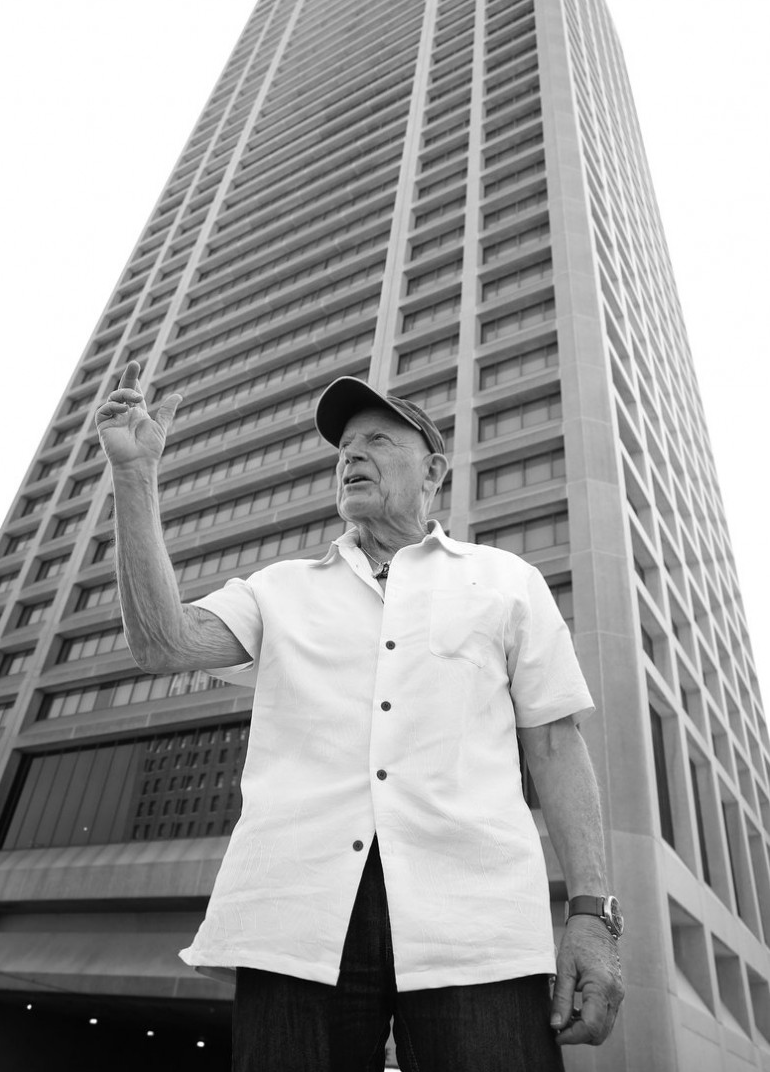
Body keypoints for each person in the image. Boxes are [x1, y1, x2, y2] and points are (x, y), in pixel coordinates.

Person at [96, 361, 624, 1071]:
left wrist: (592, 915)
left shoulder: (506, 581)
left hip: (478, 922)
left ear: (433, 468)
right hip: (294, 918)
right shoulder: (277, 589)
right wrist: (134, 476)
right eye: (345, 448)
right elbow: (162, 642)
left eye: (377, 440)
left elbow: (557, 747)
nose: (352, 455)